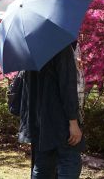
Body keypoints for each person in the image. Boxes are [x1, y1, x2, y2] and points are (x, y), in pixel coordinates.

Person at [18, 44, 84, 179]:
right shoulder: (61, 47)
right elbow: (67, 88)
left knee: (42, 165)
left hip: (39, 119)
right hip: (60, 119)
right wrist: (73, 122)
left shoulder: (30, 49)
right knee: (69, 161)